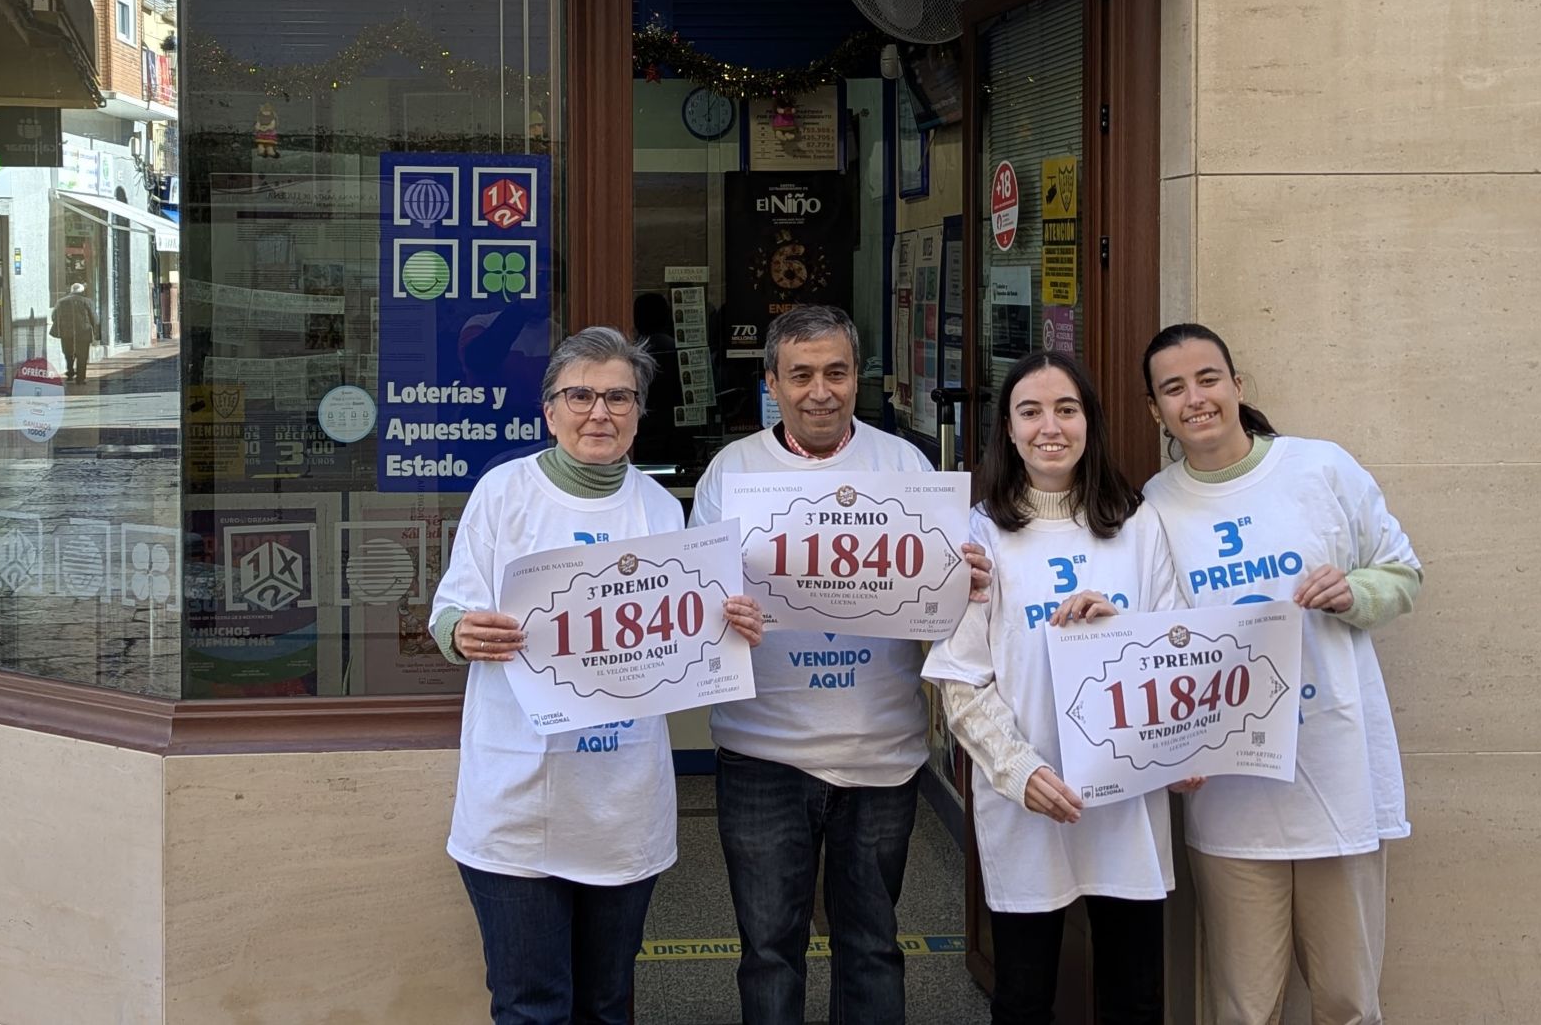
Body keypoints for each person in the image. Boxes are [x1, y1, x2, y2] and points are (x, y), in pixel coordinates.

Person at [430, 325, 765, 1025]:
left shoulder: (658, 507)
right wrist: (461, 631)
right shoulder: (503, 494)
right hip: (518, 800)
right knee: (531, 1006)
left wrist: (729, 628)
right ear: (549, 410)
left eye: (619, 396)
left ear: (641, 412)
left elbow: (685, 635)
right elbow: (449, 611)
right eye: (579, 395)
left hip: (621, 802)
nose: (599, 412)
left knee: (608, 1004)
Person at [689, 304, 990, 1025]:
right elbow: (696, 605)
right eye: (800, 375)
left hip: (880, 751)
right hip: (762, 749)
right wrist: (720, 614)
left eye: (835, 372)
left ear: (858, 378)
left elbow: (952, 597)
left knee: (872, 946)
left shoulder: (904, 466)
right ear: (772, 382)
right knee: (767, 949)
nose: (819, 391)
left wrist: (968, 574)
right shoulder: (732, 472)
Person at [1141, 322, 1422, 1025]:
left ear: (1237, 386)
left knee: (1347, 1000)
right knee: (1242, 1005)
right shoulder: (1155, 505)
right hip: (1233, 796)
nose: (1195, 399)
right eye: (1173, 388)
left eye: (1208, 379)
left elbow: (1404, 572)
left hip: (1335, 773)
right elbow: (1148, 637)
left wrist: (1354, 592)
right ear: (1156, 411)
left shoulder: (1319, 469)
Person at [922, 350, 1184, 1025]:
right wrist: (1020, 770)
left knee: (1135, 994)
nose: (1050, 426)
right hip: (1027, 801)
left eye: (1066, 409)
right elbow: (962, 679)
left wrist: (1118, 627)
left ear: (1090, 422)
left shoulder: (1137, 524)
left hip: (1125, 799)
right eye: (1029, 411)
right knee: (1023, 993)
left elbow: (1178, 650)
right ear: (1007, 429)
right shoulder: (979, 534)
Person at [50, 282, 99, 383]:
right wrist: (97, 335)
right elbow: (94, 319)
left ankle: (70, 372)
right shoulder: (87, 301)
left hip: (66, 333)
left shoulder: (61, 302)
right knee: (82, 356)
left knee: (68, 353)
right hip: (83, 333)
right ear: (82, 291)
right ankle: (81, 378)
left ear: (71, 290)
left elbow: (54, 316)